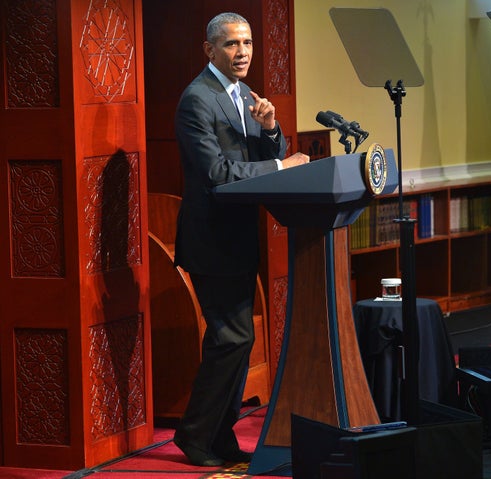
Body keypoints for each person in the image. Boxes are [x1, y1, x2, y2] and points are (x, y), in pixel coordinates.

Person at [172, 12, 308, 467]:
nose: (243, 51)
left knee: (239, 339)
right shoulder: (198, 99)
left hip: (237, 239)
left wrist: (271, 130)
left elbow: (264, 155)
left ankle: (218, 435)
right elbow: (216, 174)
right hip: (211, 240)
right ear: (209, 49)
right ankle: (194, 435)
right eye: (232, 44)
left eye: (247, 43)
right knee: (231, 339)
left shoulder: (242, 94)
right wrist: (281, 168)